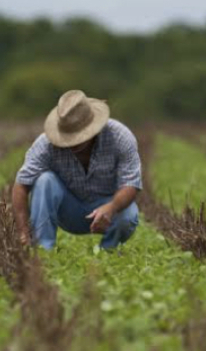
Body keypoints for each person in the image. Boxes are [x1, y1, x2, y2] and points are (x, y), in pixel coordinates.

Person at [12, 89, 142, 250]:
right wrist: (23, 233)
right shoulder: (45, 144)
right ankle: (43, 250)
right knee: (45, 180)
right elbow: (21, 185)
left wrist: (111, 207)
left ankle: (108, 251)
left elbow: (131, 184)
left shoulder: (120, 136)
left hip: (108, 207)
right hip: (69, 210)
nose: (72, 143)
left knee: (128, 216)